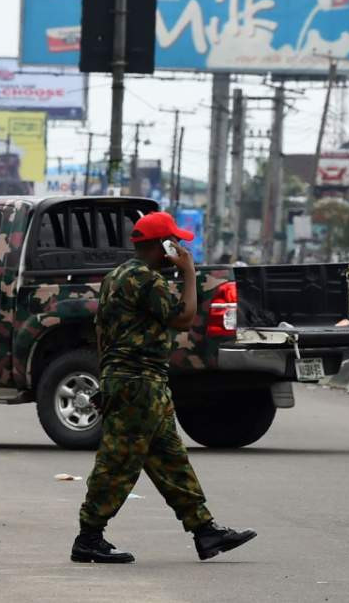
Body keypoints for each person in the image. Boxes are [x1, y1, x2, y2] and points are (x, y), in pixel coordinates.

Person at [73, 211, 256, 564]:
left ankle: (205, 530)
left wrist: (106, 375)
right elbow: (184, 317)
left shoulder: (116, 275)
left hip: (137, 380)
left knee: (170, 459)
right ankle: (88, 536)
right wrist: (189, 272)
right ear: (161, 246)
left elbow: (101, 331)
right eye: (174, 243)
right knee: (119, 461)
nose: (179, 249)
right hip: (138, 383)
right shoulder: (147, 280)